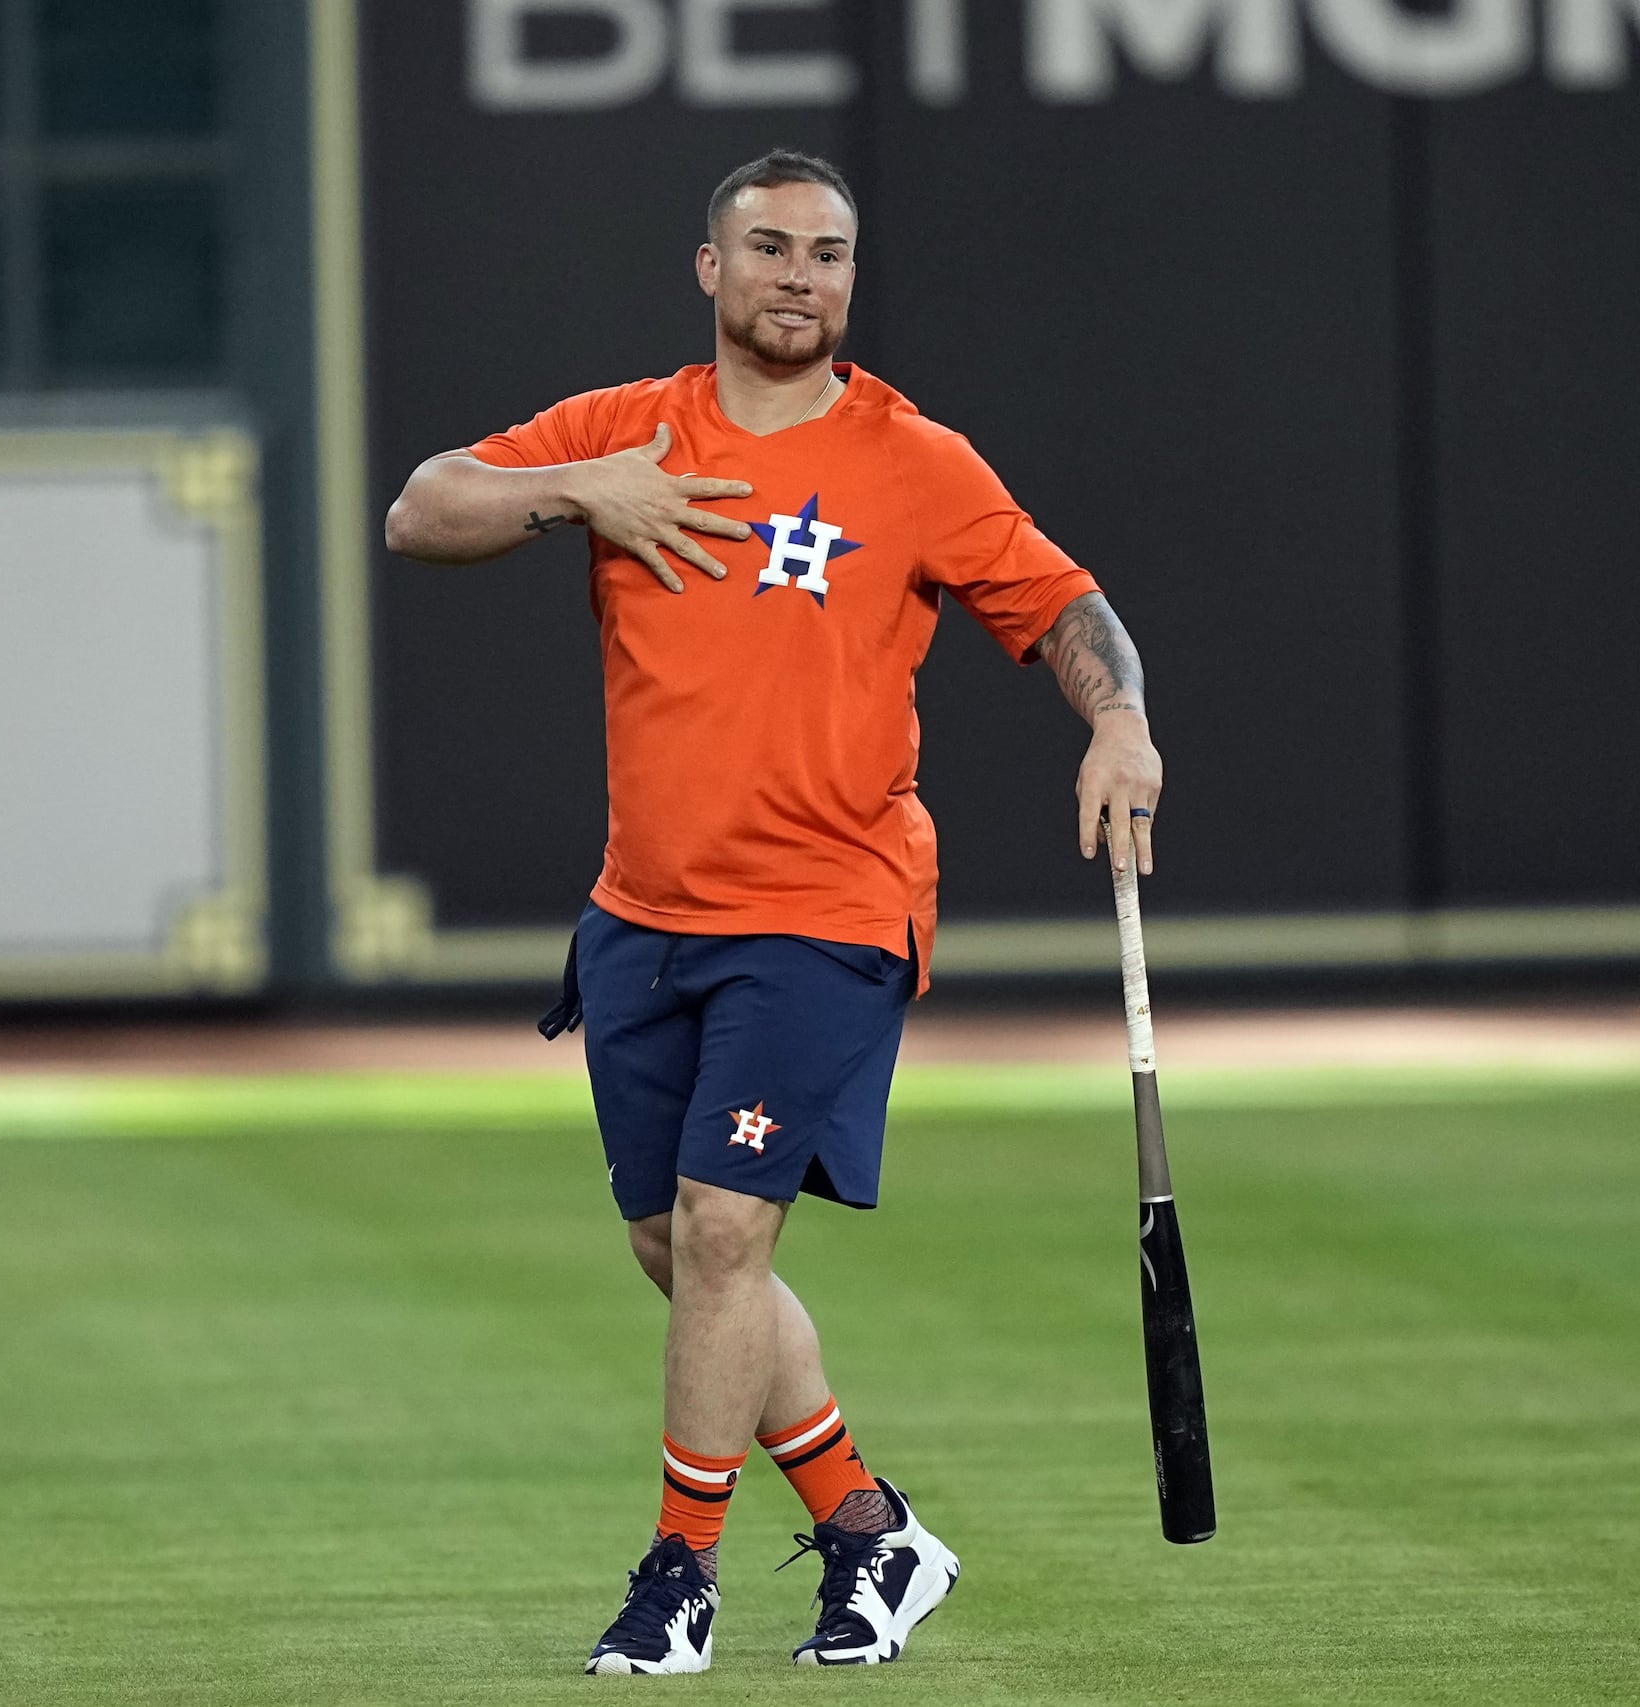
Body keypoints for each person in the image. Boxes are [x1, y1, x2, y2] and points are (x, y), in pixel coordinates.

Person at [383, 150, 1165, 1675]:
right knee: (679, 1253)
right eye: (772, 248)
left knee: (730, 1229)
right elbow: (422, 510)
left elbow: (1063, 609)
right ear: (711, 269)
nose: (802, 275)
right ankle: (874, 1533)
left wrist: (1120, 723)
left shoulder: (912, 458)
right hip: (642, 918)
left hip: (828, 911)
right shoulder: (628, 429)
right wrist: (576, 492)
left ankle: (678, 1581)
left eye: (830, 253)